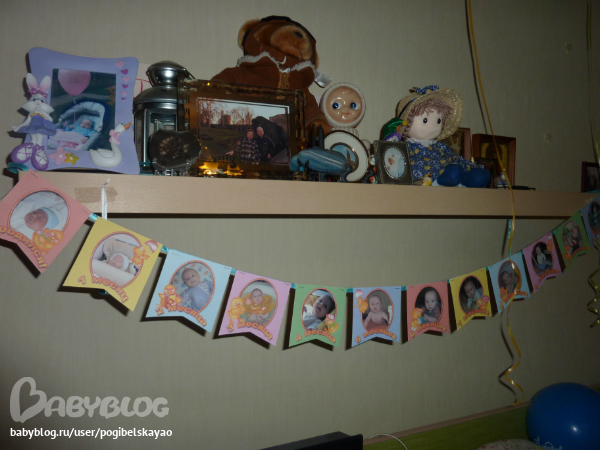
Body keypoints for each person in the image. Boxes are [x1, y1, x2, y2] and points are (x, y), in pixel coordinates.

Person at [383, 86, 489, 187]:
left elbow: (454, 157)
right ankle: (441, 179)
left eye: (438, 121)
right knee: (453, 172)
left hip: (451, 171)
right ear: (407, 123)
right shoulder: (405, 148)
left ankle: (466, 179)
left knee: (477, 175)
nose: (433, 127)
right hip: (428, 177)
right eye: (425, 120)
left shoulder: (441, 147)